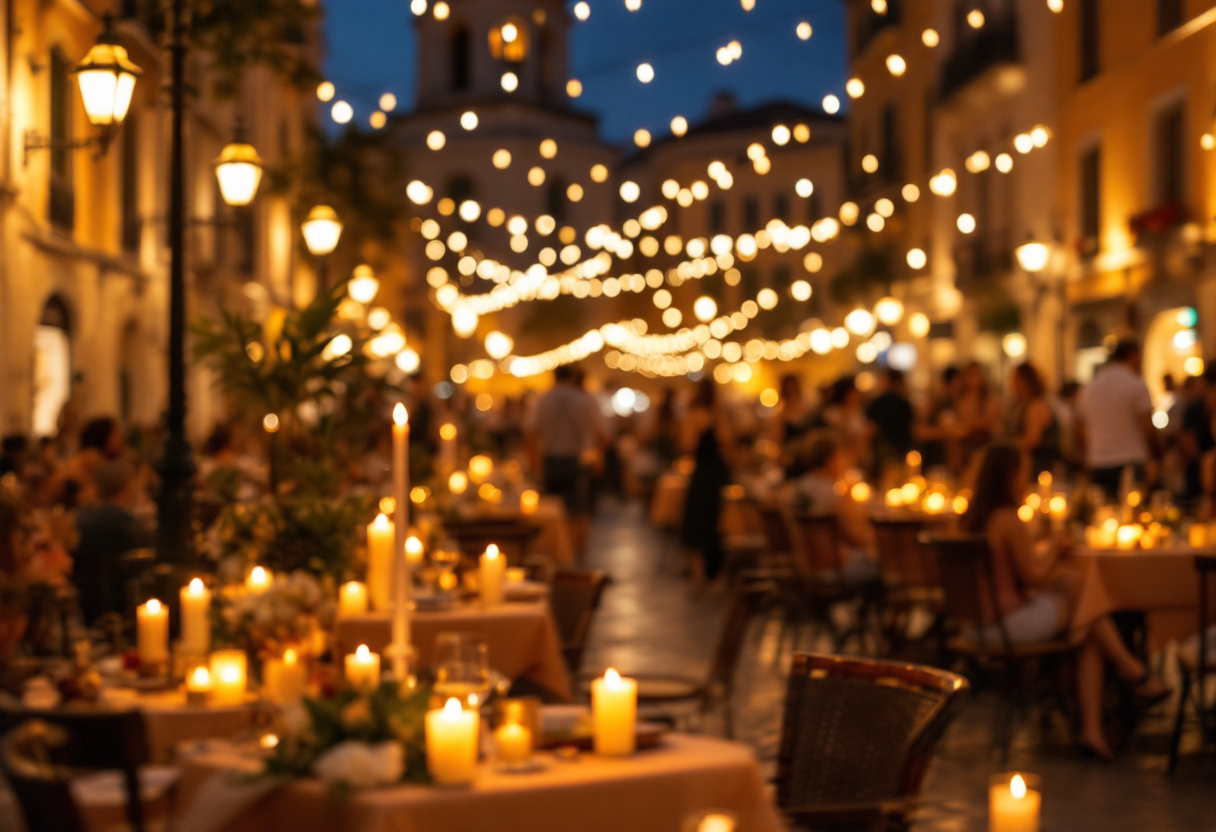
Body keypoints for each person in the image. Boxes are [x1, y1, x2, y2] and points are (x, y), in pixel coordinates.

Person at [962, 444, 1170, 759]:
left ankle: (1094, 726)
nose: (1025, 479)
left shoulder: (972, 517)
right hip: (1006, 626)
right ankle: (1129, 670)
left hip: (971, 624)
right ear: (1009, 476)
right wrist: (1055, 552)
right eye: (1022, 472)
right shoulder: (1008, 518)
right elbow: (1033, 576)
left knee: (1082, 608)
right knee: (1085, 607)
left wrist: (1051, 561)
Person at [526, 365, 602, 557]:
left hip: (551, 461)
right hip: (575, 461)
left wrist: (535, 463)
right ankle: (577, 555)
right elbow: (596, 432)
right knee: (578, 512)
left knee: (551, 510)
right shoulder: (583, 399)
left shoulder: (543, 400)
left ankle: (555, 554)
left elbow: (531, 432)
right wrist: (597, 458)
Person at [1076, 338, 1160, 498]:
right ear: (1133, 356)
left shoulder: (1091, 387)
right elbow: (1148, 427)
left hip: (1098, 462)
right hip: (1131, 461)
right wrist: (1157, 456)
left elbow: (1079, 427)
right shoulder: (1136, 384)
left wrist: (1091, 450)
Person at [792, 432, 879, 584]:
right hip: (836, 568)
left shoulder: (800, 487)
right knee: (885, 568)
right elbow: (851, 537)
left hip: (807, 565)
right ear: (830, 460)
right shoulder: (831, 492)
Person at [73, 460, 151, 624]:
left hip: (85, 606)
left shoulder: (80, 520)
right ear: (127, 487)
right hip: (123, 606)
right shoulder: (127, 524)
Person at [679, 378, 734, 591]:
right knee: (717, 524)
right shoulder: (719, 415)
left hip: (701, 475)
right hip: (718, 474)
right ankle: (717, 578)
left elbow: (687, 445)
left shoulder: (692, 415)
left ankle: (699, 577)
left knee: (696, 525)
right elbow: (727, 443)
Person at [1007, 363, 1061, 477]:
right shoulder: (1023, 405)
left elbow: (1032, 441)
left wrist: (1007, 445)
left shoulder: (1036, 406)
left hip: (1039, 467)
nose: (1012, 383)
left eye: (1015, 379)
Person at [865, 369, 915, 478]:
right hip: (901, 447)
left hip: (881, 447)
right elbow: (912, 427)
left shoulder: (876, 402)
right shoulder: (904, 402)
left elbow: (870, 429)